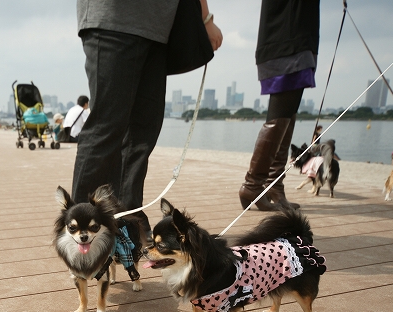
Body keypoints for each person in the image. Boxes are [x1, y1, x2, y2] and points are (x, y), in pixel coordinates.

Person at [72, 0, 223, 234]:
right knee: (106, 127)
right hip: (114, 17)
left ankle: (128, 222)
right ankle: (81, 228)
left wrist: (205, 18)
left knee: (142, 135)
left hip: (160, 27)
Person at [239, 0, 320, 211]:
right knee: (282, 111)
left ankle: (273, 184)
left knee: (288, 112)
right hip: (287, 38)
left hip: (295, 37)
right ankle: (253, 184)